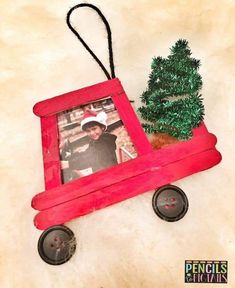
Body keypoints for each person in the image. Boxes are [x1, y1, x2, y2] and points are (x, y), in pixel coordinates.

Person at [61, 109, 118, 182]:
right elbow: (87, 152)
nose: (92, 133)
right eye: (88, 131)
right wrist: (71, 156)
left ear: (102, 127)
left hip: (111, 177)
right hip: (101, 175)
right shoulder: (95, 141)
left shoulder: (105, 142)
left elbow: (92, 159)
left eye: (94, 129)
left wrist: (69, 164)